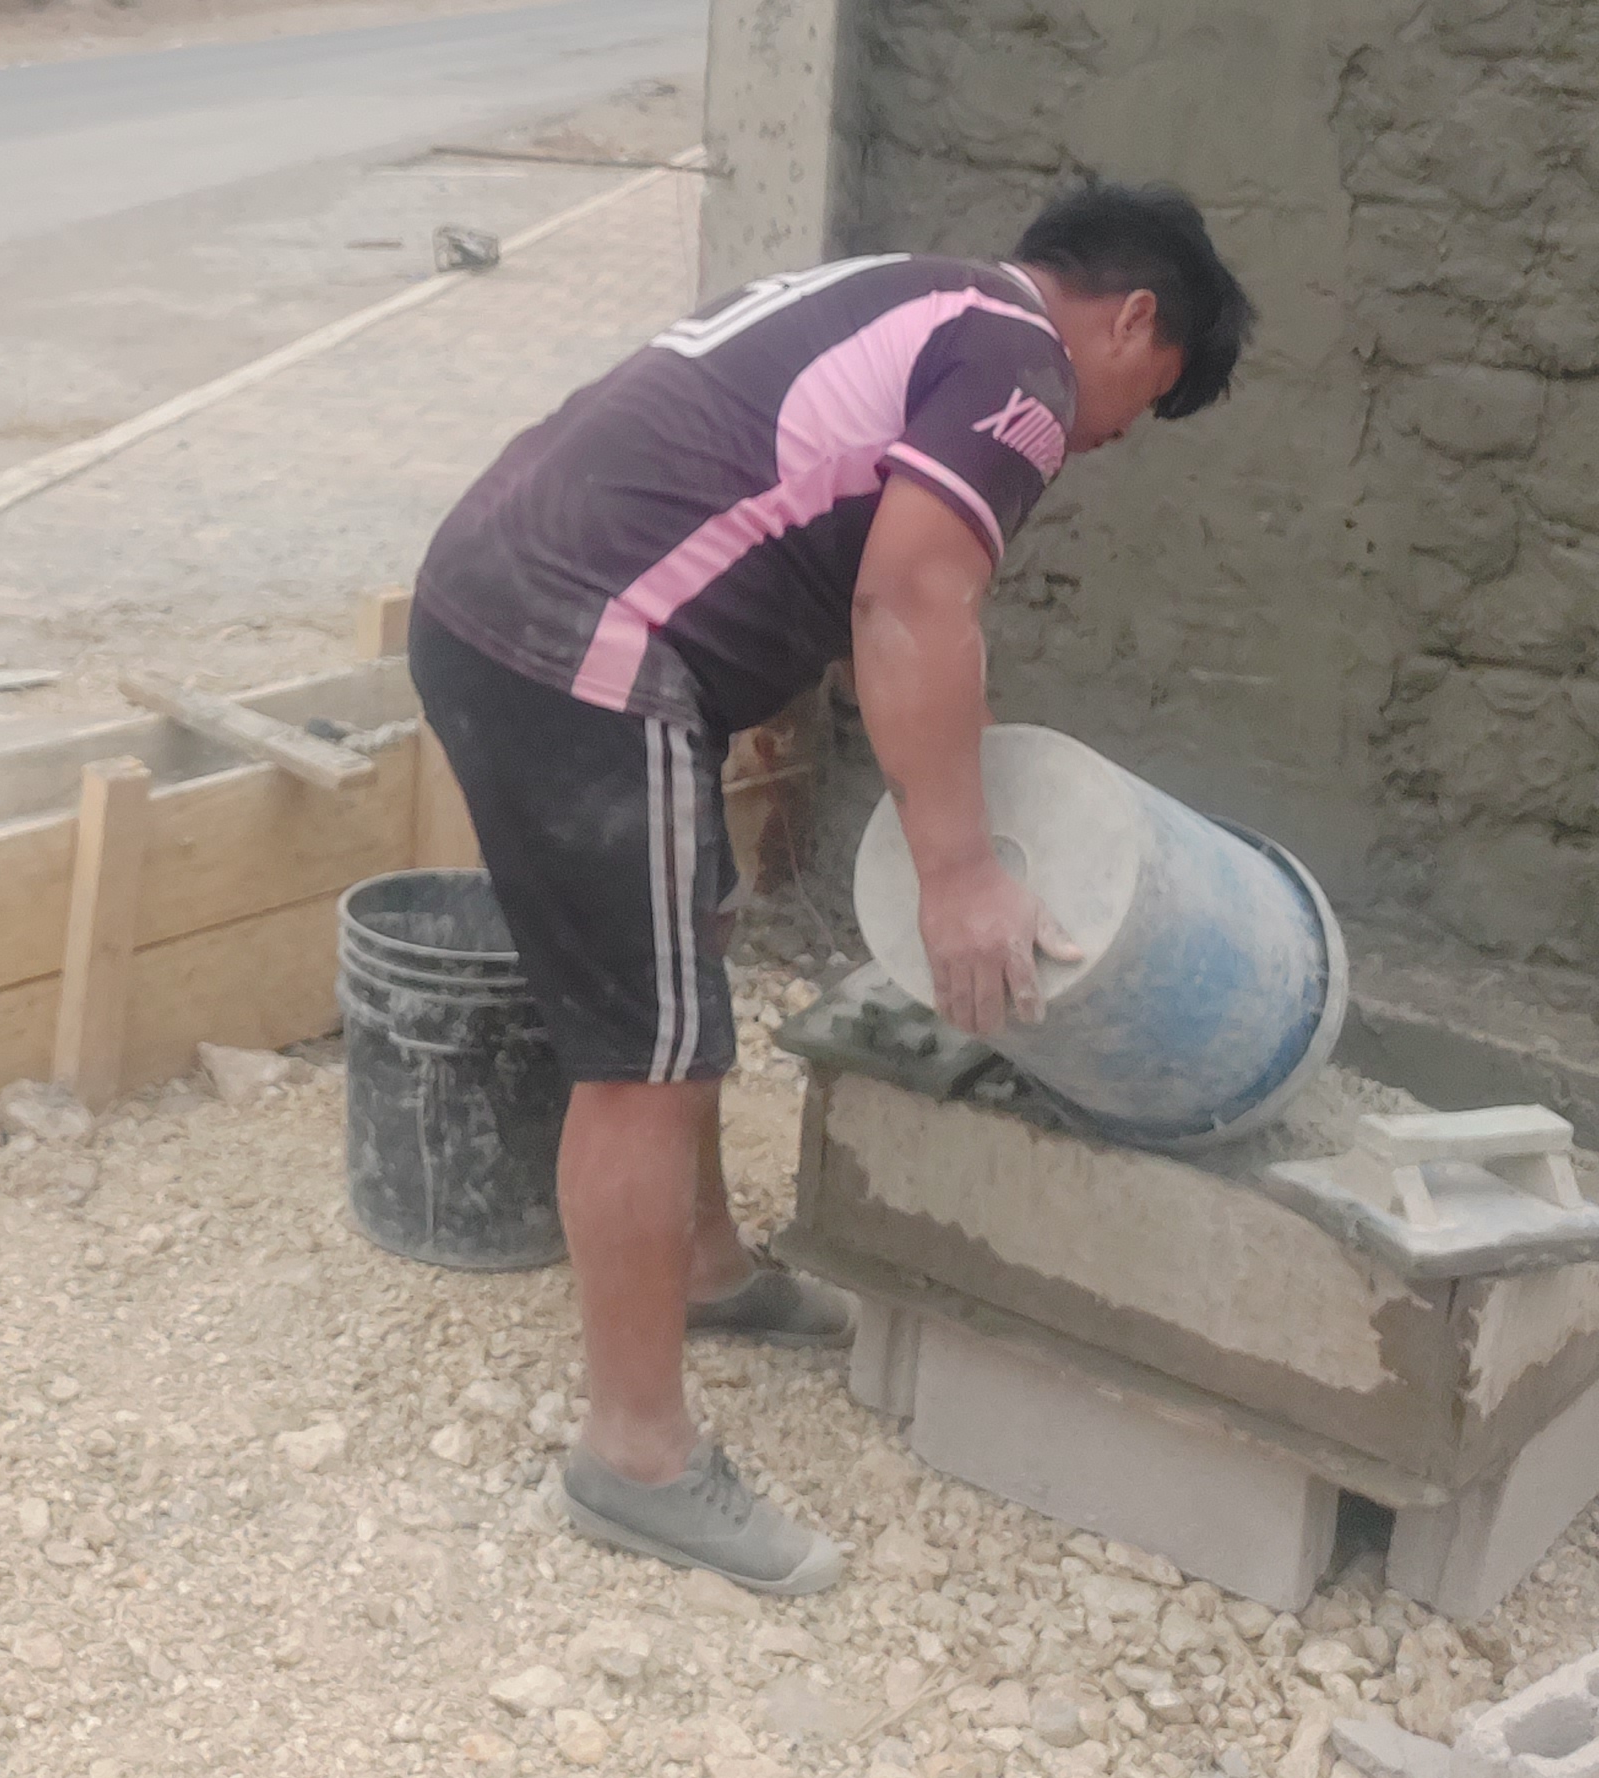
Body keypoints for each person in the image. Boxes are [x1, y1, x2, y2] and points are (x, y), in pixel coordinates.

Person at [407, 188, 1254, 1593]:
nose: (1112, 437)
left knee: (685, 953)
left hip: (522, 597)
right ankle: (635, 1458)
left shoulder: (925, 292)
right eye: (1147, 398)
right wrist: (959, 874)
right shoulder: (1023, 367)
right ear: (1131, 318)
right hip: (580, 640)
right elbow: (911, 603)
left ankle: (703, 1268)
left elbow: (862, 574)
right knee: (645, 1053)